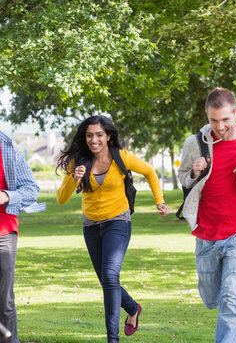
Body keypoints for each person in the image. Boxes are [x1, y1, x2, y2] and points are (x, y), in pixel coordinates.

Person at [56, 116, 170, 343]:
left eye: (99, 135)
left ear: (108, 136)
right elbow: (61, 199)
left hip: (118, 221)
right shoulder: (77, 162)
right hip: (90, 226)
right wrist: (73, 179)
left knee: (109, 276)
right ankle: (133, 308)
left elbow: (149, 171)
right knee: (107, 281)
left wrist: (159, 200)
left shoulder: (122, 157)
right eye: (89, 135)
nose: (94, 140)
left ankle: (112, 339)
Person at [177, 87, 236, 343]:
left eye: (226, 119)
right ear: (207, 116)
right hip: (206, 233)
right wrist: (194, 172)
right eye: (213, 120)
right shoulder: (194, 143)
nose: (220, 126)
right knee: (212, 298)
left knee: (231, 297)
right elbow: (183, 178)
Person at [0, 131, 45, 343]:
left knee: (4, 300)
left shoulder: (7, 148)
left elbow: (31, 189)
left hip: (4, 233)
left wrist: (7, 195)